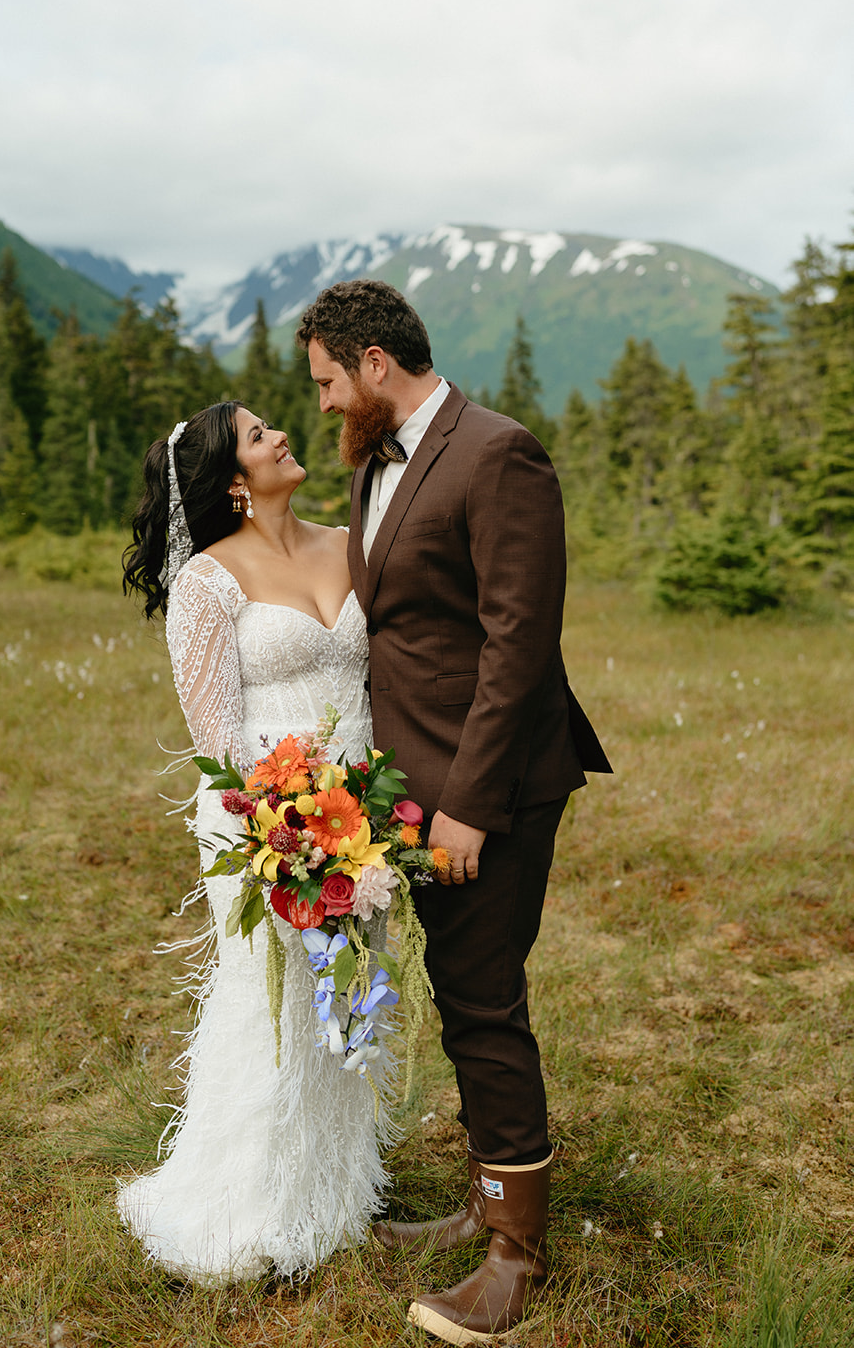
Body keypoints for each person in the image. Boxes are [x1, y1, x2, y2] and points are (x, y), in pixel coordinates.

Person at [298, 281, 611, 1346]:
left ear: (375, 362)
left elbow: (518, 644)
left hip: (491, 791)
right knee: (457, 986)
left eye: (331, 382)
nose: (327, 404)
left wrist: (466, 808)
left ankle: (514, 1257)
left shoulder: (496, 452)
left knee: (483, 1002)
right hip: (415, 785)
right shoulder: (377, 464)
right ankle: (483, 1201)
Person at [116, 400, 391, 1283]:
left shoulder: (349, 542)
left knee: (349, 998)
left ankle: (334, 1195)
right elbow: (216, 734)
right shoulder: (207, 582)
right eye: (258, 434)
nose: (280, 435)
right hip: (259, 824)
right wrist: (288, 826)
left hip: (363, 815)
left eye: (274, 423)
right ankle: (244, 1203)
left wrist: (355, 821)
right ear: (232, 479)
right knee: (272, 1001)